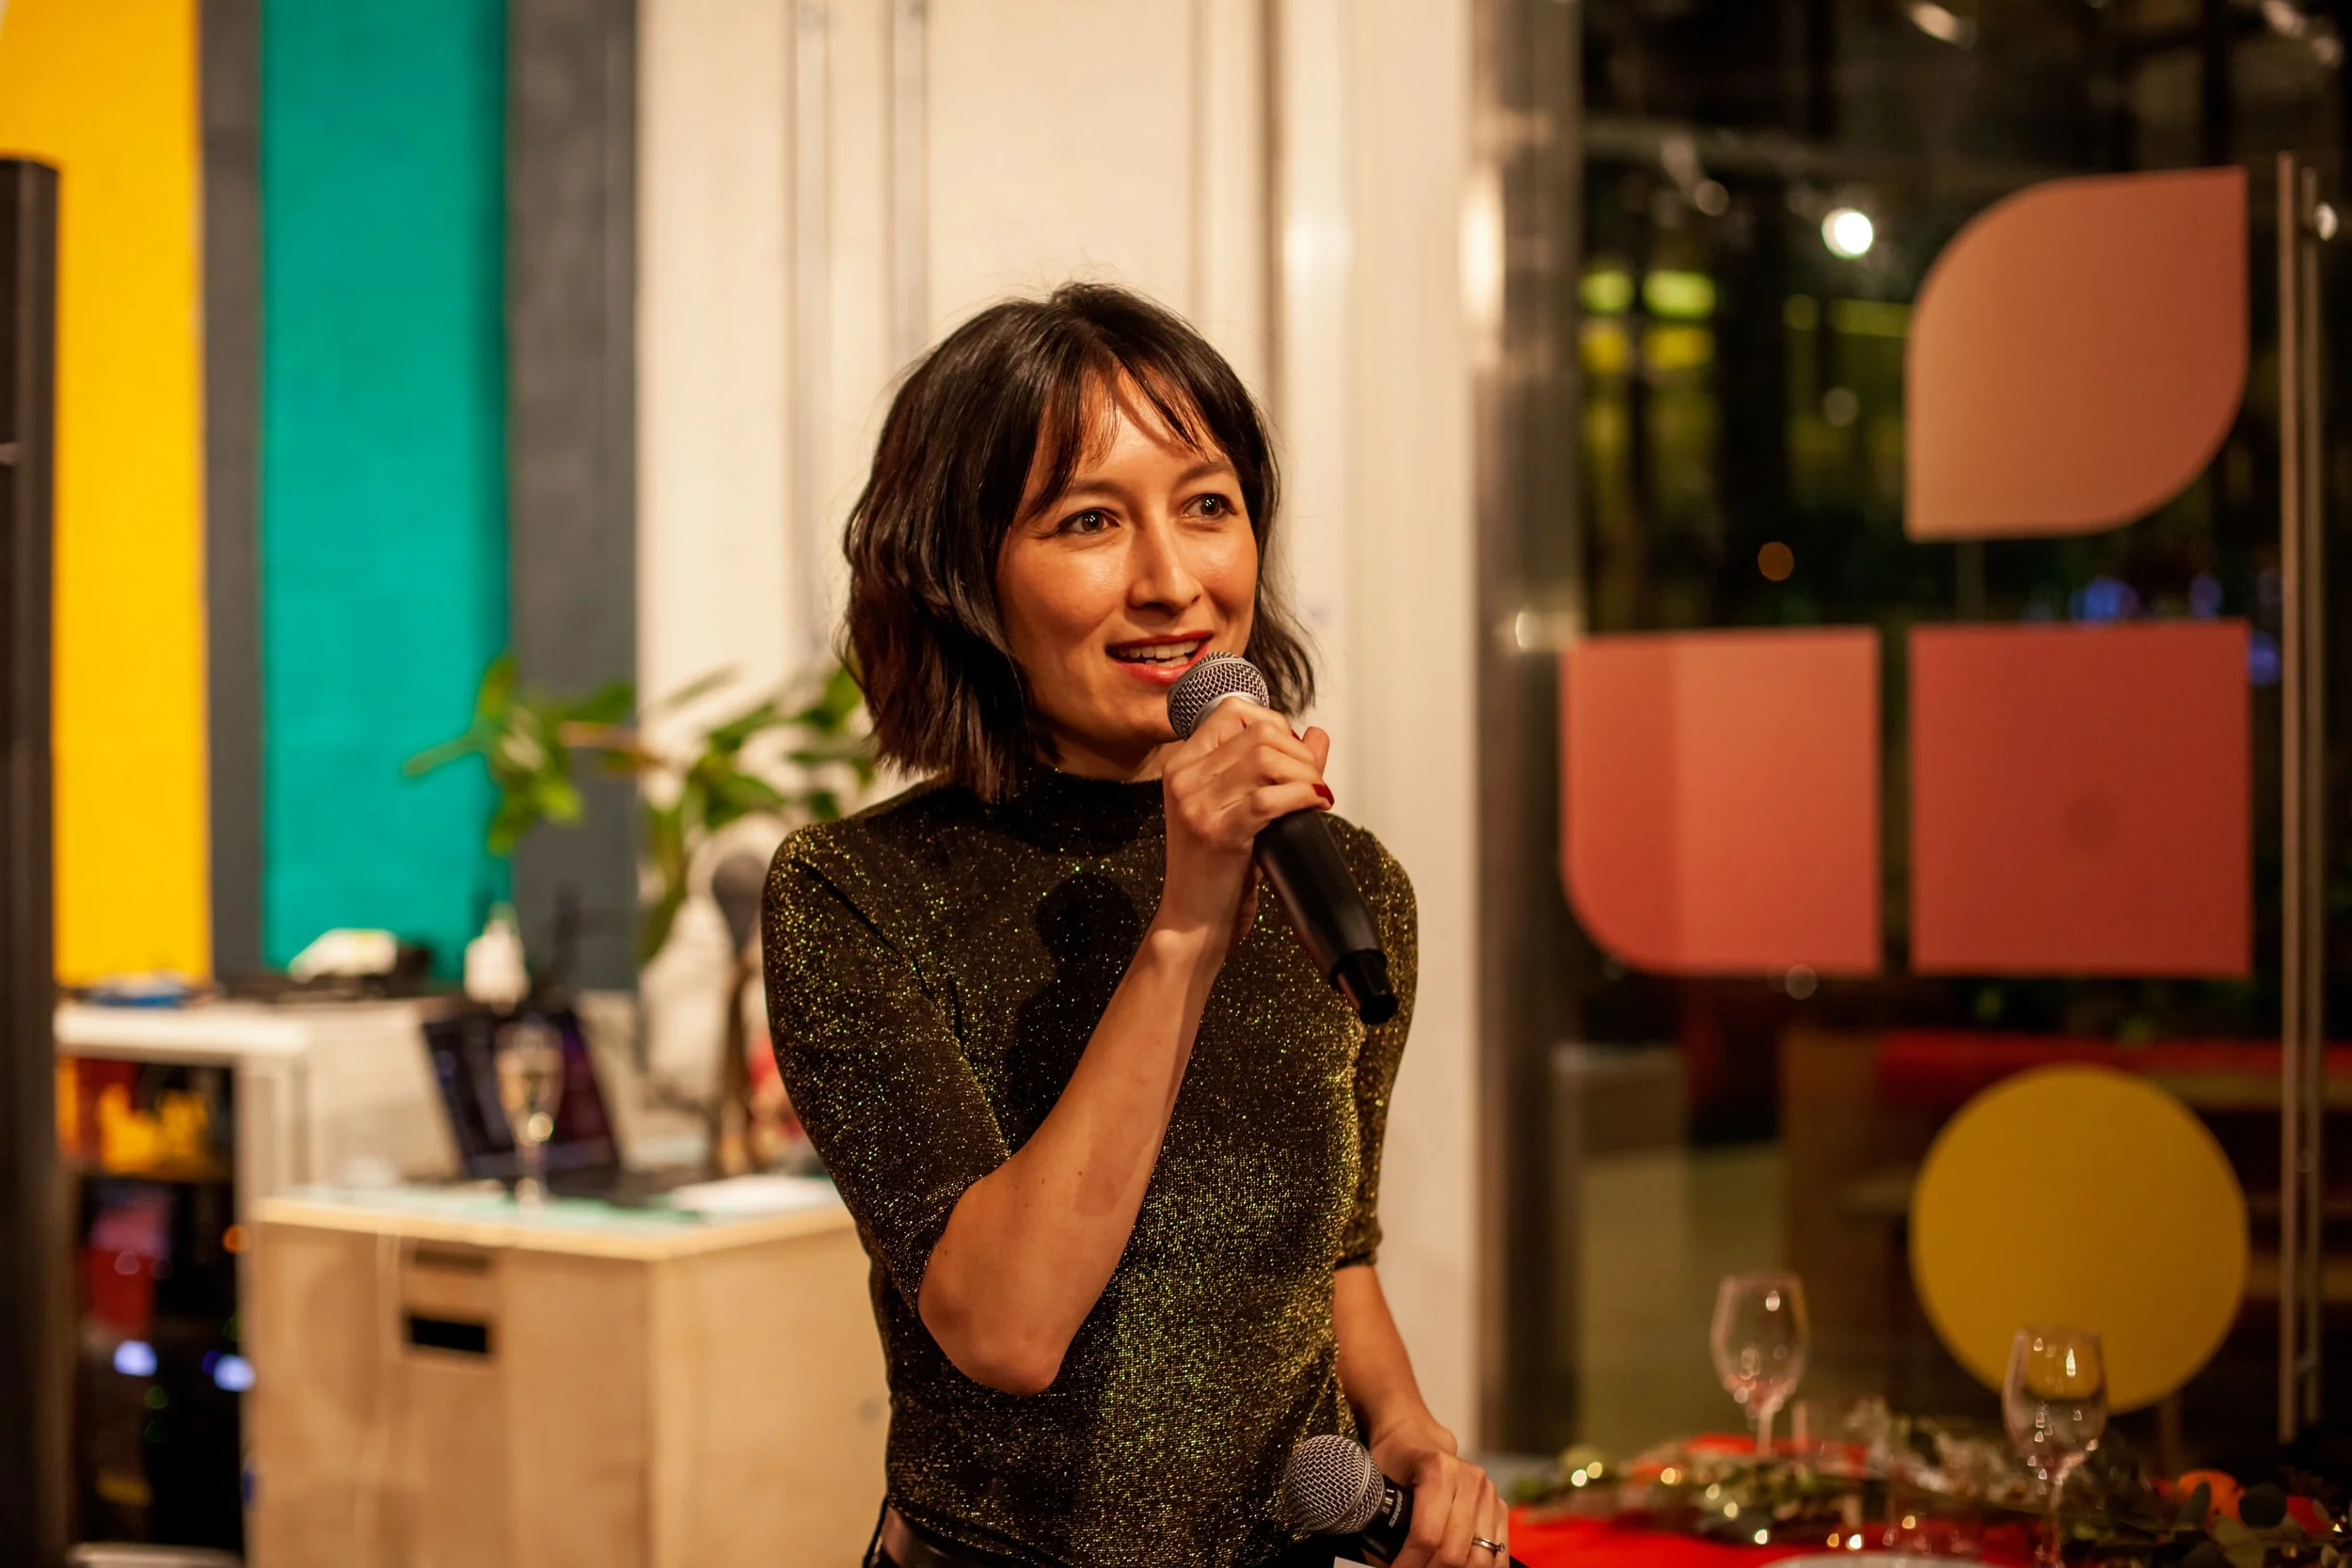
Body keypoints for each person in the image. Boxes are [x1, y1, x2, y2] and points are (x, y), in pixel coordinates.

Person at [763, 283, 1507, 1568]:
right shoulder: (854, 892)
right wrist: (1184, 924)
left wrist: (1407, 1431)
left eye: (1207, 506)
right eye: (1090, 520)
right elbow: (1004, 1327)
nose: (1173, 582)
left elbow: (1332, 1248)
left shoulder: (1348, 883)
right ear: (963, 578)